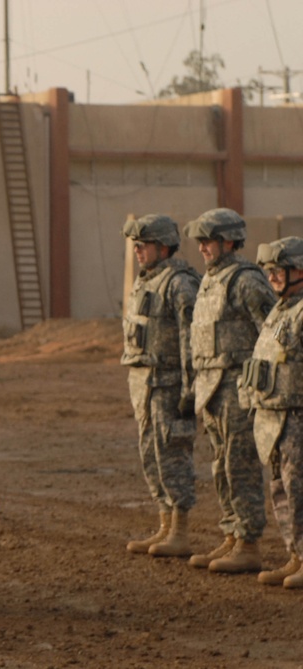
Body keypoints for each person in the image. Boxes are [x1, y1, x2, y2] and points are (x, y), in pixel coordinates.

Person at [184, 208, 274, 573]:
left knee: (241, 467)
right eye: (200, 241)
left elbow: (271, 332)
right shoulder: (211, 279)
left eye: (208, 240)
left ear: (228, 241)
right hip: (212, 389)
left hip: (239, 389)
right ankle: (232, 535)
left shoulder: (247, 281)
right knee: (221, 466)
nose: (202, 247)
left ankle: (249, 543)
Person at [120, 215, 200, 557]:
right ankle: (165, 525)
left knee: (173, 455)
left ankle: (180, 531)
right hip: (146, 385)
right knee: (151, 456)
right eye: (135, 245)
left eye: (144, 245)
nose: (137, 251)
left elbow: (190, 340)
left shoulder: (179, 283)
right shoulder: (145, 281)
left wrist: (190, 389)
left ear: (164, 247)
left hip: (169, 386)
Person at [243, 237, 303, 588]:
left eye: (279, 269)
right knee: (281, 489)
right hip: (274, 415)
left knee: (299, 489)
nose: (273, 277)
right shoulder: (280, 310)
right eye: (269, 271)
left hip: (297, 416)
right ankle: (295, 555)